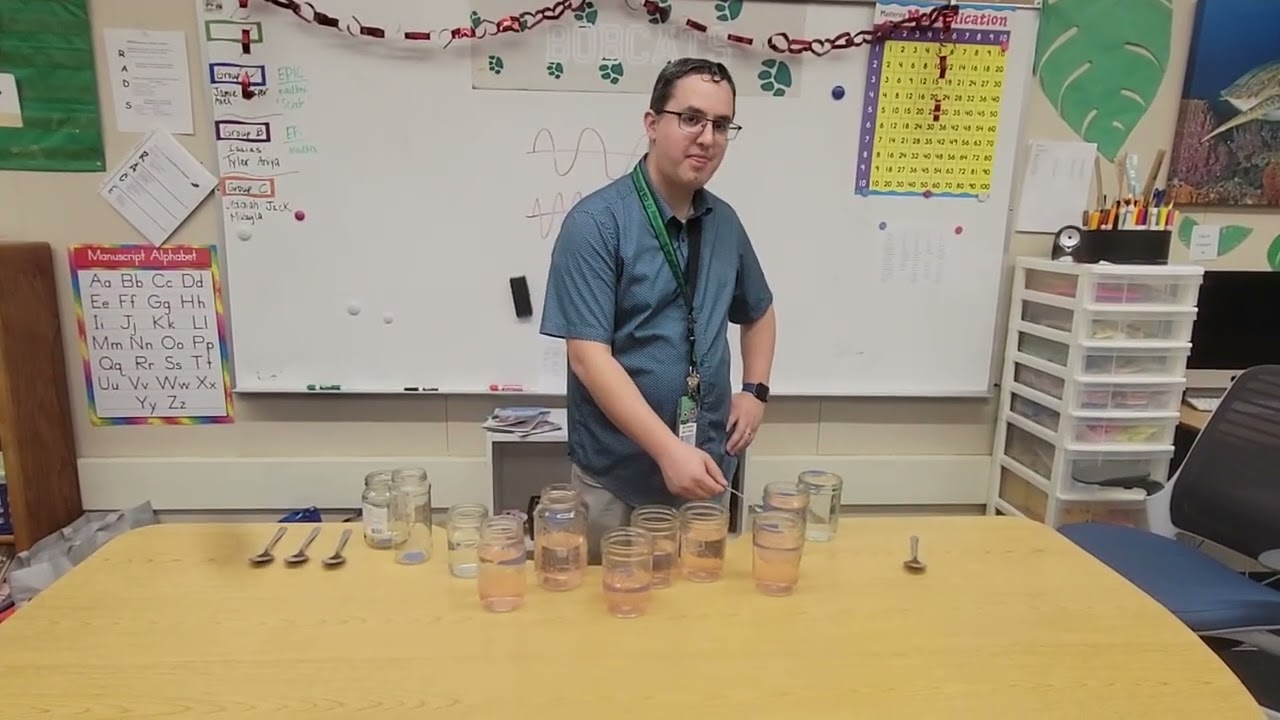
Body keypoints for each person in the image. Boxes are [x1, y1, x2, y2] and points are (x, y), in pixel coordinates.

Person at [540, 57, 777, 561]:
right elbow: (588, 358)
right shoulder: (597, 224)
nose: (707, 138)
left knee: (699, 603)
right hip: (618, 481)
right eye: (691, 119)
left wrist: (755, 391)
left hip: (704, 471)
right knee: (614, 604)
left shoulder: (725, 223)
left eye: (721, 125)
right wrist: (669, 451)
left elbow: (759, 311)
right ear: (652, 124)